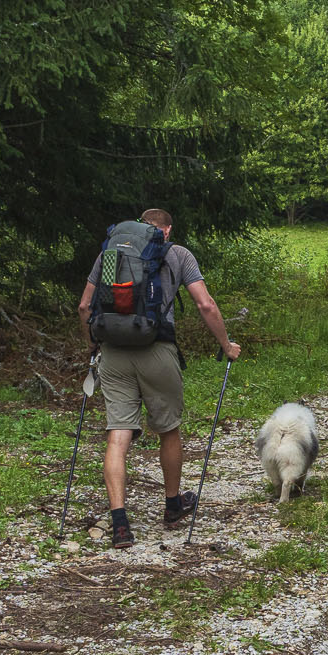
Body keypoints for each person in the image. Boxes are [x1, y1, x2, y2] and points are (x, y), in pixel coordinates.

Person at [77, 208, 240, 548]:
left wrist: (92, 345)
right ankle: (171, 505)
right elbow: (205, 304)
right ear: (167, 230)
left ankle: (120, 524)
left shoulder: (110, 254)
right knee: (168, 429)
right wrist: (226, 345)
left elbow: (84, 307)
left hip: (114, 352)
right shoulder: (177, 253)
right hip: (158, 349)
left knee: (118, 434)